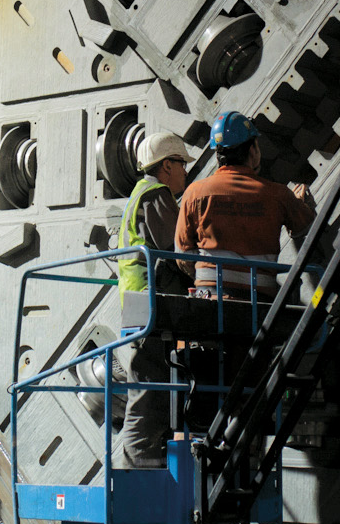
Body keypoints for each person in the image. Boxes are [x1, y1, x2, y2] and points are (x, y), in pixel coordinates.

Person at [115, 131, 193, 469]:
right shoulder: (156, 195)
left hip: (138, 299)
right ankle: (139, 459)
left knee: (150, 378)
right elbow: (176, 250)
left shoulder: (139, 193)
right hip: (149, 299)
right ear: (166, 166)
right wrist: (203, 274)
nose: (185, 171)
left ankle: (145, 454)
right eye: (181, 164)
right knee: (148, 383)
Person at [176, 111, 315, 299]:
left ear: (218, 154)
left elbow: (183, 256)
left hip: (210, 301)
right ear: (252, 150)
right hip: (261, 303)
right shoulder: (278, 194)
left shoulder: (194, 193)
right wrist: (303, 204)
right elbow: (304, 227)